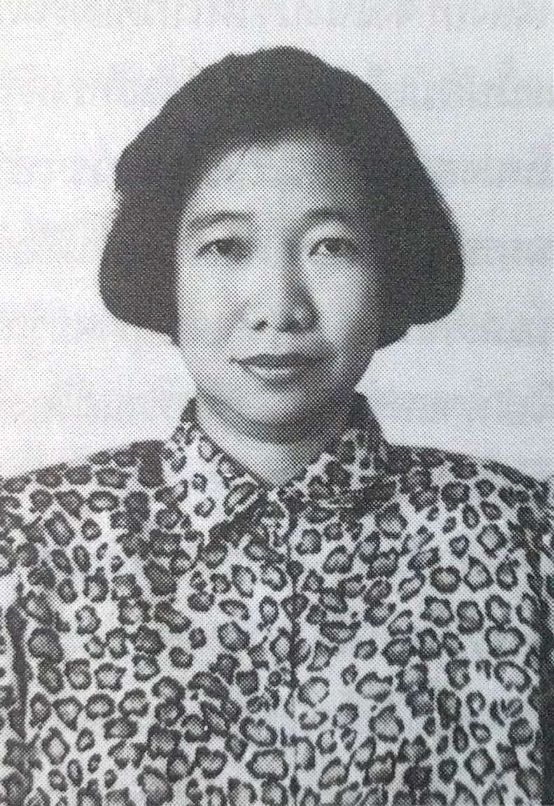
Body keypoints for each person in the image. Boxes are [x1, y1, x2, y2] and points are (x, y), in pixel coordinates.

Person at [0, 46, 552, 806]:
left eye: (330, 246)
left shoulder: (522, 541)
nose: (279, 307)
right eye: (226, 247)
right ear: (165, 272)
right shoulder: (28, 550)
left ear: (390, 269)